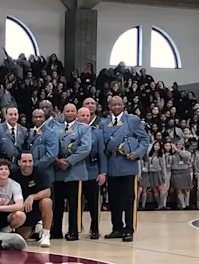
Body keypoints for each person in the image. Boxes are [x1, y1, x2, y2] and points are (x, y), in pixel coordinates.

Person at [100, 95, 149, 242]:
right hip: (112, 165)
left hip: (128, 164)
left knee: (128, 199)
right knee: (114, 200)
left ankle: (129, 229)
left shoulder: (132, 120)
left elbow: (145, 140)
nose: (116, 107)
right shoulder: (104, 122)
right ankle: (117, 228)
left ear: (123, 105)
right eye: (113, 105)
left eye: (119, 104)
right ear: (109, 106)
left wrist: (138, 153)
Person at [50, 103, 91, 241]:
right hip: (58, 171)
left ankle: (73, 231)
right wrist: (56, 160)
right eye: (67, 111)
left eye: (72, 111)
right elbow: (50, 144)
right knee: (58, 203)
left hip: (75, 170)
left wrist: (68, 161)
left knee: (74, 204)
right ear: (63, 112)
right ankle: (56, 231)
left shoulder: (83, 128)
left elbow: (85, 148)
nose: (70, 113)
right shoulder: (55, 128)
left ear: (76, 113)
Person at [8, 152, 53, 247]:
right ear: (19, 162)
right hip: (23, 208)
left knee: (46, 201)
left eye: (30, 161)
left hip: (37, 206)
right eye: (24, 161)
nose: (28, 164)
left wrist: (32, 196)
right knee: (23, 236)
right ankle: (36, 228)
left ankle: (46, 235)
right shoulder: (12, 173)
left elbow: (48, 192)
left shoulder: (40, 171)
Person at [77, 106, 107, 239]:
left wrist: (103, 172)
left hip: (92, 170)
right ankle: (76, 227)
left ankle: (94, 228)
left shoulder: (97, 132)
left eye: (87, 115)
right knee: (76, 202)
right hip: (76, 171)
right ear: (78, 116)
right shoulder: (73, 131)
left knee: (94, 202)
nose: (85, 118)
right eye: (82, 115)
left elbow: (102, 154)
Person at [28, 108, 59, 185]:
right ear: (32, 118)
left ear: (44, 118)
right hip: (31, 173)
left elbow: (52, 155)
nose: (38, 119)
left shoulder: (50, 133)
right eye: (35, 117)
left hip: (45, 172)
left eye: (40, 117)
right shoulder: (30, 133)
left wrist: (35, 166)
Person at [168, 140, 192, 210]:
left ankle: (187, 204)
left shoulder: (186, 153)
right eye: (177, 144)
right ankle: (183, 205)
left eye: (181, 144)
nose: (179, 145)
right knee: (178, 189)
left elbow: (185, 156)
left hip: (185, 171)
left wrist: (176, 149)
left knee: (186, 189)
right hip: (176, 172)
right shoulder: (172, 154)